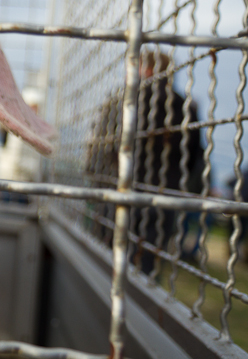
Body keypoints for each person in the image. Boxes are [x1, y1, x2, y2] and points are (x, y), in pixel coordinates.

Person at [88, 51, 206, 274]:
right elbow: (193, 160)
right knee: (144, 269)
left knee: (103, 263)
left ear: (146, 70)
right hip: (162, 200)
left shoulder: (122, 101)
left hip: (118, 194)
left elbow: (101, 150)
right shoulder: (185, 107)